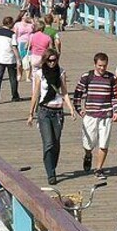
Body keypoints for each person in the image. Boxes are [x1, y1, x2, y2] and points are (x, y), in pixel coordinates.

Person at [27, 48, 76, 185]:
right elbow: (35, 94)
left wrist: (71, 108)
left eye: (54, 60)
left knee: (56, 143)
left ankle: (52, 166)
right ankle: (51, 173)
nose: (52, 63)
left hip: (58, 112)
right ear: (45, 60)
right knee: (48, 142)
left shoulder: (61, 72)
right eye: (49, 60)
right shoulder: (40, 74)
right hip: (44, 111)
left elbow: (64, 92)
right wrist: (31, 114)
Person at [73, 52, 117, 179]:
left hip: (106, 115)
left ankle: (99, 169)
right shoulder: (87, 77)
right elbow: (77, 94)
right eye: (100, 65)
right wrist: (79, 109)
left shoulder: (111, 78)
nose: (102, 68)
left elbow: (115, 96)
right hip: (90, 114)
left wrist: (116, 111)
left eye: (104, 66)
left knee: (104, 144)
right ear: (95, 64)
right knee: (88, 143)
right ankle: (88, 154)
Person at [0, 16, 21, 104]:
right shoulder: (12, 34)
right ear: (10, 24)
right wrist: (18, 59)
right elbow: (14, 47)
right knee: (12, 78)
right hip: (10, 58)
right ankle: (15, 96)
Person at [13, 11, 35, 82]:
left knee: (29, 59)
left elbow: (35, 31)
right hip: (20, 42)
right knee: (20, 59)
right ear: (22, 16)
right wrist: (14, 43)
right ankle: (19, 74)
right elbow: (15, 34)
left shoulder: (31, 25)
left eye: (28, 15)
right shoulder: (17, 24)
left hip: (30, 42)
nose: (28, 16)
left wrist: (33, 22)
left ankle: (28, 76)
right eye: (26, 15)